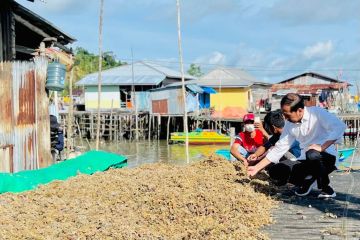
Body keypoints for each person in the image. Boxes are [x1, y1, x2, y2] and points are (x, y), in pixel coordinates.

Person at [247, 93, 346, 198]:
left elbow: (339, 127)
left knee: (312, 154)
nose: (285, 117)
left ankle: (326, 188)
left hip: (326, 158)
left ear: (299, 110)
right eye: (284, 114)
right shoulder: (290, 125)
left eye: (287, 114)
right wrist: (256, 168)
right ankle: (309, 180)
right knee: (276, 170)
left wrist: (322, 147)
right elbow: (279, 148)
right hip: (305, 159)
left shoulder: (317, 113)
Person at [247, 110, 301, 186]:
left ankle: (290, 180)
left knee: (274, 166)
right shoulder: (278, 134)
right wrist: (255, 155)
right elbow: (265, 146)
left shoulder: (288, 134)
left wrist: (257, 165)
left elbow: (274, 151)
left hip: (298, 161)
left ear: (273, 127)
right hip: (289, 159)